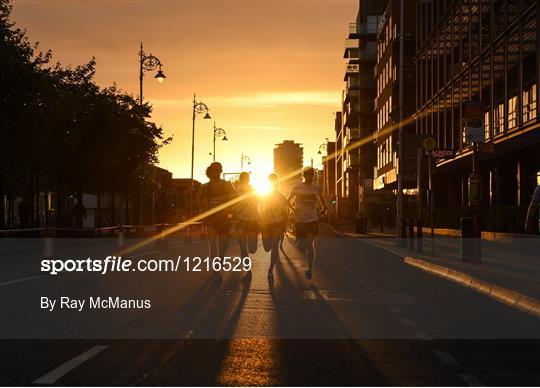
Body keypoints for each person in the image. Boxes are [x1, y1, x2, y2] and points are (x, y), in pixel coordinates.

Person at [196, 162, 236, 284]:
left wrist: (230, 211)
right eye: (214, 170)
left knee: (223, 247)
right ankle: (216, 271)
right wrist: (205, 208)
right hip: (211, 219)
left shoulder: (227, 185)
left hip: (224, 219)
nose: (216, 172)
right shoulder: (204, 187)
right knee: (213, 245)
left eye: (218, 170)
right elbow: (198, 202)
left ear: (220, 171)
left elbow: (235, 199)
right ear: (209, 172)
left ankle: (220, 263)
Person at [288, 167, 327, 280]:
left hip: (312, 220)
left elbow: (323, 201)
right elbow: (288, 201)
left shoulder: (316, 188)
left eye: (311, 175)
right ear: (303, 175)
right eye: (307, 175)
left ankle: (309, 269)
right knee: (301, 246)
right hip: (300, 220)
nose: (310, 177)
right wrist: (293, 209)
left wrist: (323, 209)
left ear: (313, 175)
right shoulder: (297, 187)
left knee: (310, 245)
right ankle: (302, 245)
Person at [260, 173, 288, 281]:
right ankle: (271, 246)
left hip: (277, 223)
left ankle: (270, 270)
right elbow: (261, 209)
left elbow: (284, 212)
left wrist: (284, 225)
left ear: (277, 182)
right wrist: (260, 221)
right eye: (271, 180)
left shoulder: (281, 196)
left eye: (274, 180)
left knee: (275, 246)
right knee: (267, 248)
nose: (272, 182)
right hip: (266, 224)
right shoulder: (264, 195)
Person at [234, 172, 259, 281]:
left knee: (252, 249)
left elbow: (258, 201)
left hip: (252, 220)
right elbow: (233, 204)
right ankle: (248, 271)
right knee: (243, 249)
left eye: (246, 178)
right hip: (241, 221)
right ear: (241, 179)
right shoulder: (236, 191)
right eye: (244, 178)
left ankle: (253, 246)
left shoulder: (253, 189)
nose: (245, 180)